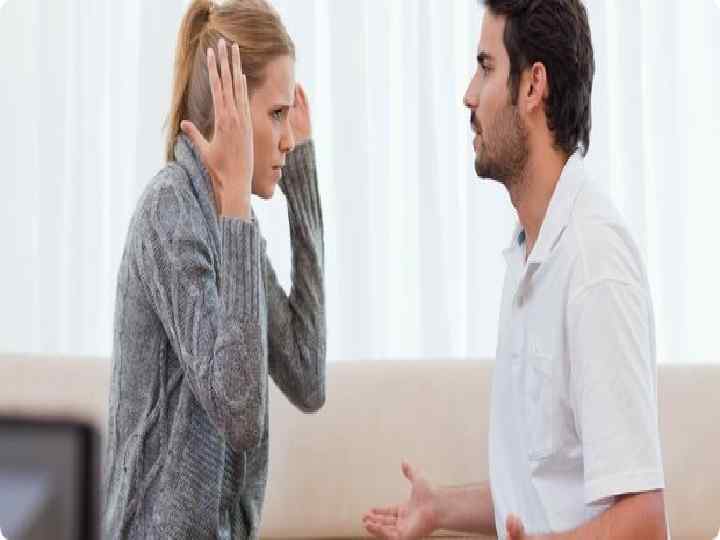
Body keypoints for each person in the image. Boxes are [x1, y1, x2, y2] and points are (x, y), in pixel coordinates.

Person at [363, 1, 667, 538]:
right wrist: (440, 508)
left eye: (485, 67)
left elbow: (645, 520)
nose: (469, 94)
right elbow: (542, 487)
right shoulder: (532, 252)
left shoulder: (593, 263)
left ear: (532, 86)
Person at [102, 0, 326, 537]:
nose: (288, 138)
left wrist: (301, 184)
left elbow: (307, 376)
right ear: (230, 113)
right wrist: (236, 209)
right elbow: (241, 414)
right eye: (276, 115)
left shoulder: (231, 224)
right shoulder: (171, 210)